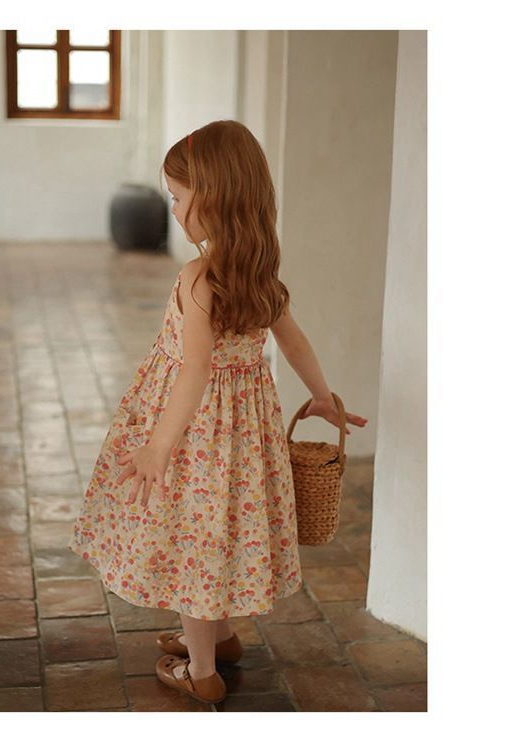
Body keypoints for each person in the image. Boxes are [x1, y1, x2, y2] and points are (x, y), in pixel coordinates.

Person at [68, 119, 368, 705]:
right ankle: (221, 637)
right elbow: (293, 340)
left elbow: (195, 370)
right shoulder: (259, 272)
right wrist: (321, 394)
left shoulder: (199, 278)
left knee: (192, 543)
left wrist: (159, 445)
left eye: (179, 197)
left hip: (195, 431)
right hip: (243, 435)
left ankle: (201, 670)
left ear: (212, 199)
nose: (174, 208)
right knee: (221, 531)